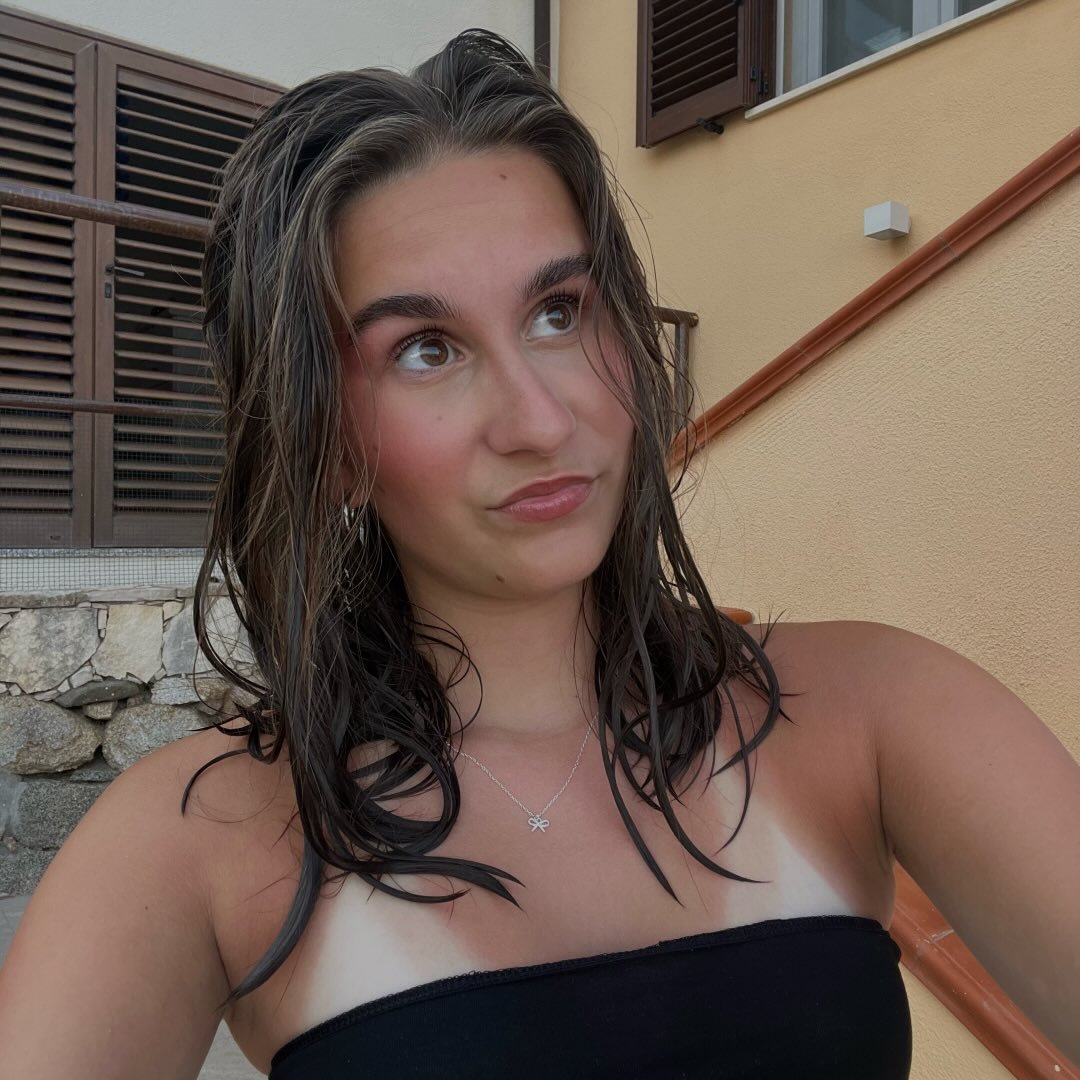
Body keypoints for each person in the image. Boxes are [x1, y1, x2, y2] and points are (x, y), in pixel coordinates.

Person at [1, 29, 1077, 1079]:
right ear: (323, 442)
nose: (540, 419)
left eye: (559, 312)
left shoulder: (880, 713)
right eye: (426, 349)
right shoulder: (194, 843)